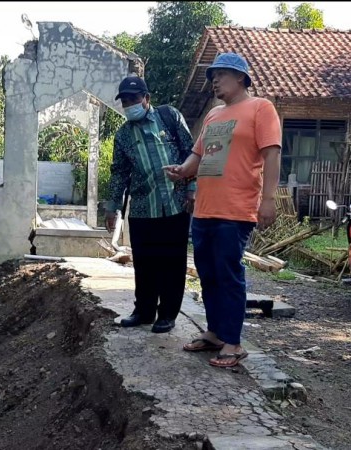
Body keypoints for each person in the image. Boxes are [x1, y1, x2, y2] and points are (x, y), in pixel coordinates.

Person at [164, 53, 282, 367]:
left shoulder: (261, 108)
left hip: (236, 209)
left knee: (228, 275)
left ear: (241, 77)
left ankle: (233, 342)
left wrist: (268, 200)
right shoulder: (214, 115)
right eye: (212, 75)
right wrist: (182, 170)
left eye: (221, 74)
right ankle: (215, 333)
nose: (214, 80)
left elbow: (272, 155)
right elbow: (197, 156)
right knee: (208, 274)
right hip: (204, 209)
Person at [105, 75, 196, 334]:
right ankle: (144, 311)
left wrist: (191, 189)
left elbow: (191, 152)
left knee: (172, 261)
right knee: (144, 263)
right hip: (143, 207)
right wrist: (112, 207)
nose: (128, 104)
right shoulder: (123, 135)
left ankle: (167, 314)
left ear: (146, 99)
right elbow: (119, 172)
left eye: (133, 99)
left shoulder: (170, 117)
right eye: (124, 101)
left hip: (175, 204)